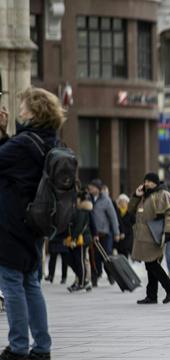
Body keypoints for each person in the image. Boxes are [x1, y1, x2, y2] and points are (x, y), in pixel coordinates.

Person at [0, 87, 66, 360]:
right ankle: (41, 347)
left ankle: (17, 348)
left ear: (35, 112)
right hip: (35, 224)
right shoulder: (52, 142)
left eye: (24, 106)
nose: (19, 110)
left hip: (12, 223)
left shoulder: (23, 143)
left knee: (12, 283)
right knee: (30, 283)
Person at [129, 173, 170, 305]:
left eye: (150, 181)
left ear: (156, 183)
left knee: (152, 264)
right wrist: (136, 195)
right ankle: (151, 296)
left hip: (154, 235)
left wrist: (169, 231)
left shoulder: (163, 195)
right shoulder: (143, 196)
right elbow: (130, 210)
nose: (147, 184)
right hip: (143, 236)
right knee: (149, 265)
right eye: (146, 181)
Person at [87, 179, 120, 287]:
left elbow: (113, 217)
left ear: (98, 188)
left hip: (105, 233)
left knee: (107, 256)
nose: (90, 189)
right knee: (94, 258)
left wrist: (116, 233)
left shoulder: (106, 200)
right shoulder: (88, 198)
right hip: (93, 234)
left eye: (92, 187)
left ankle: (111, 275)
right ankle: (95, 276)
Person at [64, 191, 96, 293]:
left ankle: (82, 282)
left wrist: (73, 239)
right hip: (76, 239)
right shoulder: (77, 210)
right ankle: (83, 281)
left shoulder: (83, 211)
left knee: (80, 261)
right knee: (75, 260)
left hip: (81, 240)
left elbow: (79, 227)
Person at [115, 194, 134, 258]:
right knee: (119, 253)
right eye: (121, 201)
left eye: (124, 201)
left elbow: (133, 223)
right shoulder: (116, 212)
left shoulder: (130, 212)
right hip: (119, 236)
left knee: (126, 252)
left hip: (128, 236)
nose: (122, 203)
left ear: (127, 202)